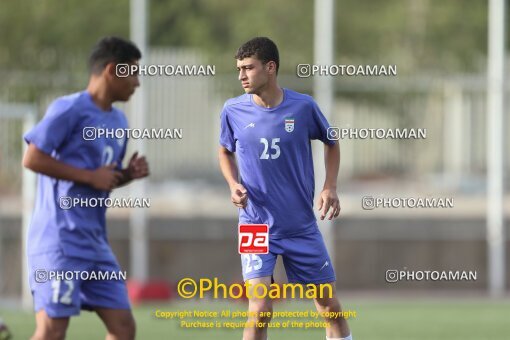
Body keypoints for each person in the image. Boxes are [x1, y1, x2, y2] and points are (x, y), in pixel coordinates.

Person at [218, 37, 352, 340]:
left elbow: (332, 142)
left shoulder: (303, 107)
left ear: (270, 67)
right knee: (260, 308)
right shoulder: (233, 110)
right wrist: (232, 183)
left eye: (248, 68)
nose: (241, 75)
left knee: (328, 306)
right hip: (254, 224)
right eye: (239, 68)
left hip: (300, 226)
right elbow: (224, 150)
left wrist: (330, 186)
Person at [22, 36, 149, 340]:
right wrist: (90, 177)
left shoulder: (119, 121)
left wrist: (126, 175)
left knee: (123, 328)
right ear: (110, 71)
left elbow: (101, 178)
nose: (137, 82)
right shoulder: (69, 109)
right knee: (52, 330)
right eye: (131, 72)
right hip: (60, 240)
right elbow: (32, 158)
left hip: (94, 244)